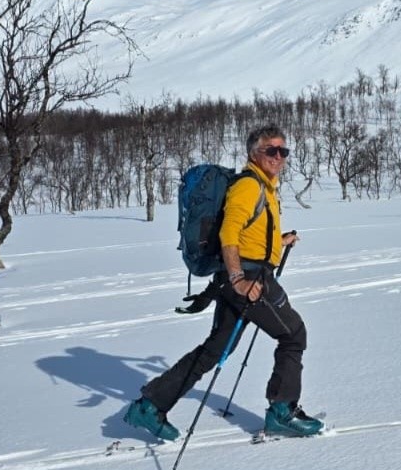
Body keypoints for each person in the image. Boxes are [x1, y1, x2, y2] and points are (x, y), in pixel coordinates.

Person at [124, 125, 323, 440]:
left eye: (283, 151)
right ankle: (282, 411)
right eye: (271, 150)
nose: (278, 157)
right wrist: (238, 279)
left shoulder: (264, 187)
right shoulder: (249, 186)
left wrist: (279, 241)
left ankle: (150, 406)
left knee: (214, 350)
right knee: (294, 334)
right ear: (254, 153)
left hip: (239, 278)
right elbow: (229, 233)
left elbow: (249, 232)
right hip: (249, 281)